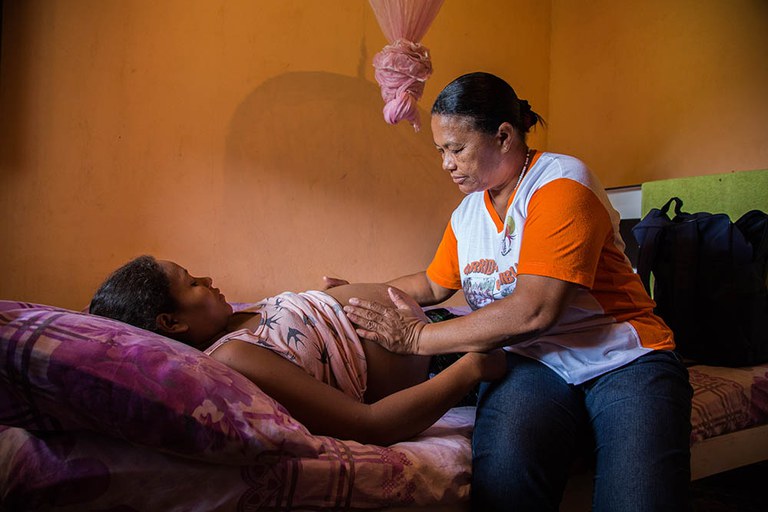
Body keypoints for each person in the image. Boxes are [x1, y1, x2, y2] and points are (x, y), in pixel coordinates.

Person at [334, 72, 693, 511]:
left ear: (504, 136)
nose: (446, 163)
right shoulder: (469, 213)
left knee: (640, 501)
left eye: (457, 148)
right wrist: (348, 293)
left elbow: (535, 311)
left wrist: (416, 338)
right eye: (441, 151)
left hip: (622, 355)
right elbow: (432, 284)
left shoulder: (560, 183)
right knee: (506, 487)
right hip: (533, 361)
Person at [89, 255, 505, 446]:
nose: (208, 276)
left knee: (544, 321)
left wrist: (334, 301)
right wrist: (470, 368)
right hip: (444, 367)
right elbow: (368, 425)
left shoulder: (236, 318)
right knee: (553, 349)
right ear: (171, 323)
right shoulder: (232, 356)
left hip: (437, 325)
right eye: (192, 282)